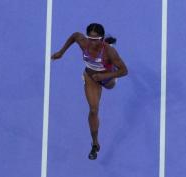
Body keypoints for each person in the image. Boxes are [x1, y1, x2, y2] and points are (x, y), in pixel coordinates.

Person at [51, 22, 129, 160]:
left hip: (107, 78)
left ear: (102, 38)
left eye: (96, 39)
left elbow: (124, 71)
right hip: (91, 77)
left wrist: (105, 76)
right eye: (90, 38)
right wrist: (61, 52)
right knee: (93, 110)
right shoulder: (84, 43)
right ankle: (95, 143)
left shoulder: (110, 52)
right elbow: (75, 35)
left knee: (111, 87)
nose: (92, 42)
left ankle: (109, 66)